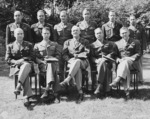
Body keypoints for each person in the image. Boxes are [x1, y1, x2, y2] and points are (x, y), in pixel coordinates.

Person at [5, 28, 35, 106]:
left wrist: (22, 59)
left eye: (21, 33)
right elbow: (7, 59)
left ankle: (18, 86)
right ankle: (26, 97)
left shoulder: (29, 44)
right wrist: (15, 62)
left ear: (23, 35)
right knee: (25, 74)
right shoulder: (10, 46)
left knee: (26, 65)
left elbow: (32, 56)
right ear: (14, 35)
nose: (20, 35)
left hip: (28, 66)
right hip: (16, 68)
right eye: (18, 34)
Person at [60, 26, 89, 103]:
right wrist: (69, 60)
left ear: (80, 32)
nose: (75, 32)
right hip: (71, 62)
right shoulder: (67, 42)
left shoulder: (85, 41)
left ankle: (67, 79)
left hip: (83, 61)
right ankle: (80, 92)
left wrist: (78, 56)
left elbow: (87, 52)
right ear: (71, 32)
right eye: (73, 31)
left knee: (78, 61)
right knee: (77, 68)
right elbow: (64, 54)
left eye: (76, 30)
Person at [110, 27, 141, 98]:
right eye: (122, 33)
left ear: (129, 33)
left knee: (125, 62)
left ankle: (117, 79)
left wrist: (128, 58)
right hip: (122, 64)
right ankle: (127, 92)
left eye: (125, 32)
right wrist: (117, 59)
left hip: (133, 63)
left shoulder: (136, 42)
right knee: (124, 65)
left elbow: (138, 54)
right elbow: (114, 55)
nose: (124, 34)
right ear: (120, 34)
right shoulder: (116, 43)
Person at [90, 28, 120, 96]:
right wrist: (96, 60)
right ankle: (107, 90)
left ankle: (99, 85)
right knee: (104, 65)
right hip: (97, 64)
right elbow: (91, 56)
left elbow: (113, 53)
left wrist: (106, 58)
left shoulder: (110, 43)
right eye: (97, 33)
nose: (99, 34)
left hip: (108, 62)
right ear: (95, 35)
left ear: (103, 34)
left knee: (104, 63)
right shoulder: (92, 45)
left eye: (100, 33)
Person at [34, 27, 61, 101]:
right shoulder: (37, 45)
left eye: (47, 33)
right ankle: (55, 94)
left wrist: (53, 58)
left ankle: (47, 90)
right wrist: (42, 62)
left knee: (51, 65)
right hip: (43, 65)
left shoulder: (55, 44)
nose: (46, 35)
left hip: (53, 63)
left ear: (50, 34)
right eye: (44, 33)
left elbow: (58, 55)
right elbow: (35, 57)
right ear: (42, 34)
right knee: (51, 68)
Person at [54, 10, 73, 81]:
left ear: (67, 17)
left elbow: (72, 39)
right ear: (60, 17)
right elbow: (55, 39)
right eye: (62, 16)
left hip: (69, 49)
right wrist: (60, 48)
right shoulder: (56, 27)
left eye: (64, 16)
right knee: (60, 66)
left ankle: (69, 83)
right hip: (60, 48)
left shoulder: (71, 26)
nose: (63, 17)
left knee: (69, 65)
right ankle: (61, 83)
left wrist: (69, 48)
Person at [128, 15, 146, 83]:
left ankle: (140, 79)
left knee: (140, 64)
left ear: (135, 20)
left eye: (133, 19)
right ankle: (130, 80)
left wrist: (144, 48)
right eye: (131, 19)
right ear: (129, 20)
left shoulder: (141, 28)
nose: (132, 20)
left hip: (139, 49)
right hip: (131, 49)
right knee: (130, 63)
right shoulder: (128, 29)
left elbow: (144, 39)